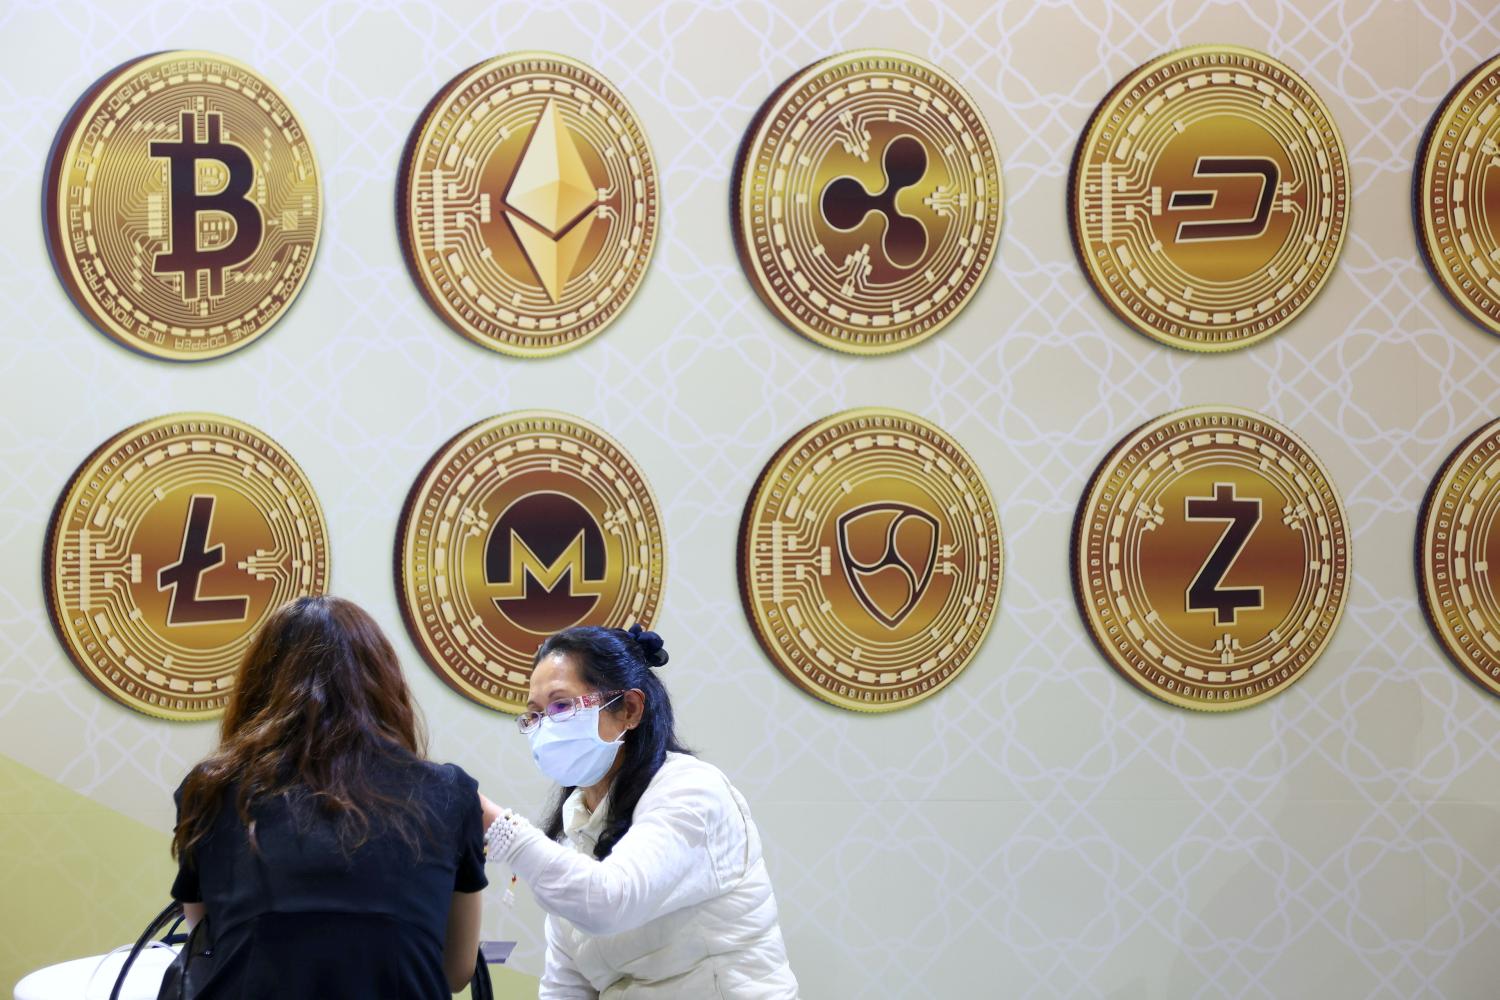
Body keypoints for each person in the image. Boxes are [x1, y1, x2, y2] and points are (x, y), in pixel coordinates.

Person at [169, 595, 487, 997]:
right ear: (385, 685)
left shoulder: (209, 790)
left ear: (257, 687)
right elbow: (458, 969)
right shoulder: (451, 794)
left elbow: (207, 951)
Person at [480, 623, 799, 998]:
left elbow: (608, 901)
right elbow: (565, 986)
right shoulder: (571, 833)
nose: (545, 727)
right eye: (535, 715)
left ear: (629, 709)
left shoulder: (693, 791)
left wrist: (496, 825)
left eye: (562, 706)